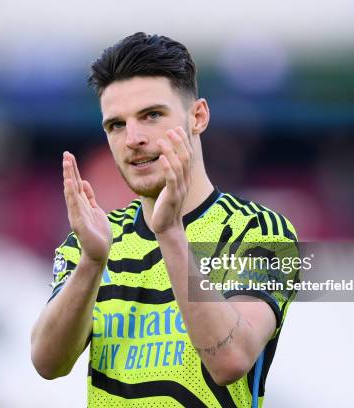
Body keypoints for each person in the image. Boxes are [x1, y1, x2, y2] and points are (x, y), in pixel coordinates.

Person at [31, 32, 299, 407]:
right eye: (116, 125)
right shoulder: (93, 240)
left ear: (198, 117)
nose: (133, 138)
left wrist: (170, 233)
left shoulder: (256, 231)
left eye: (152, 115)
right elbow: (48, 363)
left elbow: (231, 360)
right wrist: (92, 263)